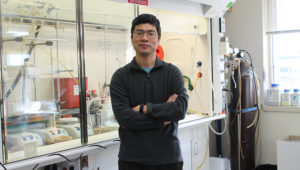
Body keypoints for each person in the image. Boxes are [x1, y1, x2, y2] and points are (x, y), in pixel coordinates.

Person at [110, 13, 189, 170]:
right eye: (139, 33)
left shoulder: (172, 73)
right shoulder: (120, 77)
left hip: (168, 160)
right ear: (132, 38)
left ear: (158, 39)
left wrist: (143, 108)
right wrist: (162, 119)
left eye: (150, 33)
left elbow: (180, 109)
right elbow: (125, 118)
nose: (144, 38)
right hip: (131, 161)